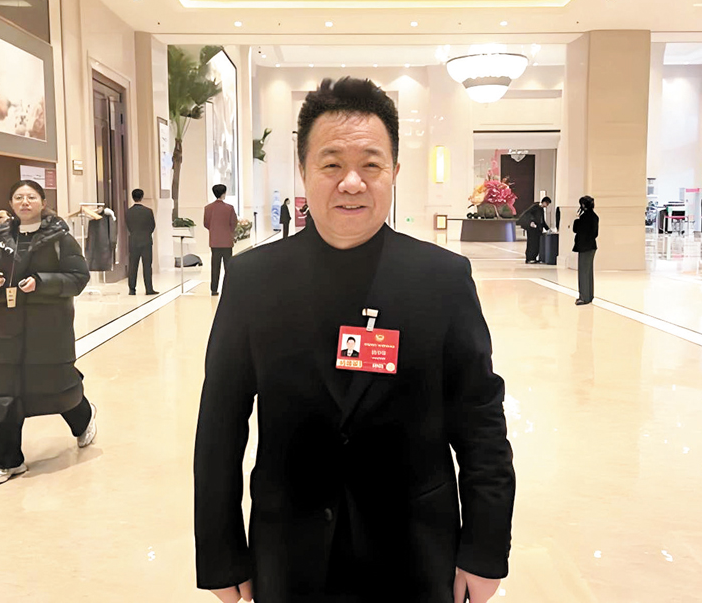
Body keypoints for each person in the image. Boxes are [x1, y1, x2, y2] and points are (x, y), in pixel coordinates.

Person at [194, 78, 515, 603]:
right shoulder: (253, 281)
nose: (351, 182)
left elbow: (480, 421)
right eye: (331, 164)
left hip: (415, 549)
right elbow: (220, 425)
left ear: (394, 173)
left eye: (371, 164)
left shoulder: (441, 279)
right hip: (289, 550)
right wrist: (221, 553)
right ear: (303, 171)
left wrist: (484, 546)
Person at [0, 180, 96, 486]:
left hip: (48, 328)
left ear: (43, 202)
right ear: (11, 203)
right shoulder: (0, 238)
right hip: (6, 328)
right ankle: (7, 461)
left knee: (56, 386)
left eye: (31, 197)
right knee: (5, 392)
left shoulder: (60, 238)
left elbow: (78, 277)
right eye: (18, 197)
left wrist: (41, 283)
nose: (24, 202)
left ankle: (83, 418)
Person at [203, 184, 238, 296]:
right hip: (227, 242)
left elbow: (206, 223)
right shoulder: (229, 208)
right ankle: (229, 288)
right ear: (224, 193)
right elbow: (234, 223)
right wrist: (229, 232)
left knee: (215, 266)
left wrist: (214, 230)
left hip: (214, 241)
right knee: (228, 266)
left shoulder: (208, 208)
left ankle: (214, 289)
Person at [125, 188, 158, 296]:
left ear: (132, 197)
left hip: (133, 241)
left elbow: (128, 226)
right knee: (147, 266)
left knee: (133, 266)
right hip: (146, 241)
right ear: (142, 197)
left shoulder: (128, 212)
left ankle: (132, 289)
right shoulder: (148, 211)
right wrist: (146, 234)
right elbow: (152, 226)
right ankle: (149, 289)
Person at [572, 195, 599, 306]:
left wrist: (577, 219)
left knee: (583, 272)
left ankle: (583, 297)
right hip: (591, 246)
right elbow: (595, 233)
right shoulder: (595, 216)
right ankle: (589, 295)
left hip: (584, 247)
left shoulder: (584, 218)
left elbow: (576, 229)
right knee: (588, 272)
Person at [517, 197, 551, 263]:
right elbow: (527, 214)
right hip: (532, 229)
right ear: (544, 202)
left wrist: (548, 229)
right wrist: (531, 221)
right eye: (547, 203)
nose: (547, 205)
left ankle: (534, 257)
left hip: (537, 230)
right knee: (531, 244)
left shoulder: (541, 209)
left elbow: (542, 221)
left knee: (536, 244)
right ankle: (529, 258)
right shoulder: (535, 206)